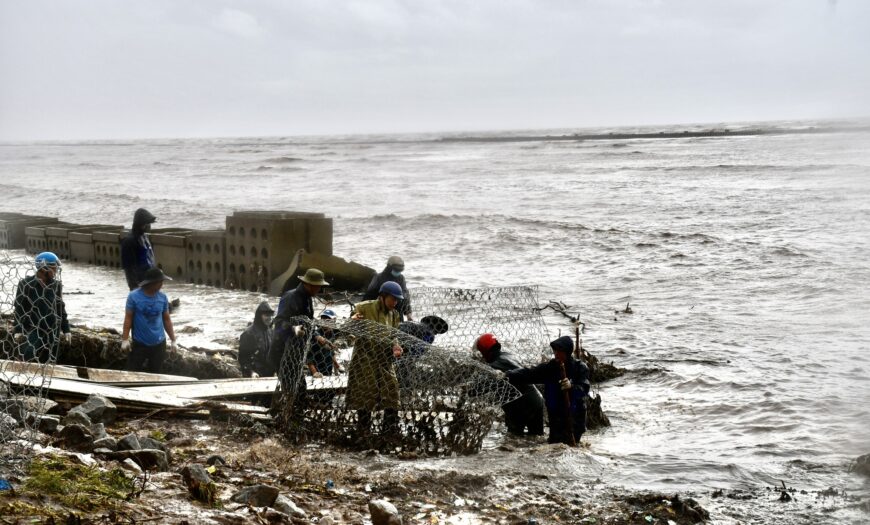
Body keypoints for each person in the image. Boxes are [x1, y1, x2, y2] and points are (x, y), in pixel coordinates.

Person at [345, 281, 404, 439]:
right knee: (366, 396)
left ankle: (389, 431)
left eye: (397, 300)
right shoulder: (363, 307)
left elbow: (394, 335)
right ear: (383, 296)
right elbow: (347, 330)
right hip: (365, 359)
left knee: (392, 393)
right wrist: (352, 322)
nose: (395, 302)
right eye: (393, 299)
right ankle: (363, 432)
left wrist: (396, 346)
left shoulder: (394, 314)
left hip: (385, 360)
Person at [506, 335, 590, 445]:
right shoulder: (551, 367)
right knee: (555, 445)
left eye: (559, 352)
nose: (555, 354)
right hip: (555, 416)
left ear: (566, 352)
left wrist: (572, 386)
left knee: (572, 444)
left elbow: (584, 387)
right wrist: (509, 375)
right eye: (555, 351)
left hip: (574, 415)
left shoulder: (580, 367)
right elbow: (530, 373)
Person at [269, 268, 329, 403]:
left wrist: (317, 336)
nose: (319, 289)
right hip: (281, 352)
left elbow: (309, 324)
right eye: (317, 286)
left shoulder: (308, 299)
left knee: (300, 391)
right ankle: (289, 418)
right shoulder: (290, 297)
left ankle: (293, 416)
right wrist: (293, 329)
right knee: (292, 390)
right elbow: (278, 324)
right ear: (308, 284)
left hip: (295, 353)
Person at [474, 333, 544, 437]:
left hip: (520, 405)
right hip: (536, 399)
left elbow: (482, 388)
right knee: (536, 438)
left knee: (513, 440)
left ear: (484, 351)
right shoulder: (508, 355)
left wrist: (470, 390)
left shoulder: (495, 365)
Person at [12, 252, 71, 363]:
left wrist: (66, 329)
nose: (56, 271)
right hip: (33, 328)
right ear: (44, 269)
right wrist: (18, 329)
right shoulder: (25, 284)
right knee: (27, 354)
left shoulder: (56, 285)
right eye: (54, 269)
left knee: (52, 359)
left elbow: (60, 309)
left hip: (53, 329)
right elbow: (19, 309)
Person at [121, 267, 177, 373]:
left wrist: (173, 340)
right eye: (160, 282)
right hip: (139, 344)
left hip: (159, 344)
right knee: (133, 372)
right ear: (152, 282)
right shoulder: (133, 296)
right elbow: (128, 318)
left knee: (155, 373)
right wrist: (125, 339)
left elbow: (167, 320)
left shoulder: (163, 298)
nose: (162, 284)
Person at [396, 315, 449, 389]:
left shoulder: (410, 323)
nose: (436, 334)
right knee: (406, 367)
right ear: (436, 330)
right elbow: (419, 351)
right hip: (403, 349)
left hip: (394, 339)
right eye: (437, 332)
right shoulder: (429, 334)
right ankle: (403, 386)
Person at [363, 255, 412, 321]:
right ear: (389, 267)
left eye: (400, 271)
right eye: (396, 270)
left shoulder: (401, 278)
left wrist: (408, 314)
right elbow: (369, 295)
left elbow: (405, 296)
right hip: (380, 312)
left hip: (397, 312)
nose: (398, 272)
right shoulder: (379, 278)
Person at [120, 208, 157, 291]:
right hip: (139, 282)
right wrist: (134, 287)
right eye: (147, 224)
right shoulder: (129, 241)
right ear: (141, 224)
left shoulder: (144, 238)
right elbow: (128, 268)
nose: (149, 226)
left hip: (149, 281)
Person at [238, 301, 275, 378]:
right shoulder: (248, 334)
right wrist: (251, 372)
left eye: (271, 316)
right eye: (266, 315)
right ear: (259, 316)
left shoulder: (271, 332)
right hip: (254, 374)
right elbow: (243, 358)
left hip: (269, 373)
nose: (270, 318)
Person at [306, 309, 342, 378]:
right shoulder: (316, 336)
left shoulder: (333, 333)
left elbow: (331, 352)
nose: (325, 322)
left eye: (328, 320)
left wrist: (337, 366)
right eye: (323, 319)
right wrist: (315, 373)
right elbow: (309, 358)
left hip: (328, 369)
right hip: (316, 371)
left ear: (334, 321)